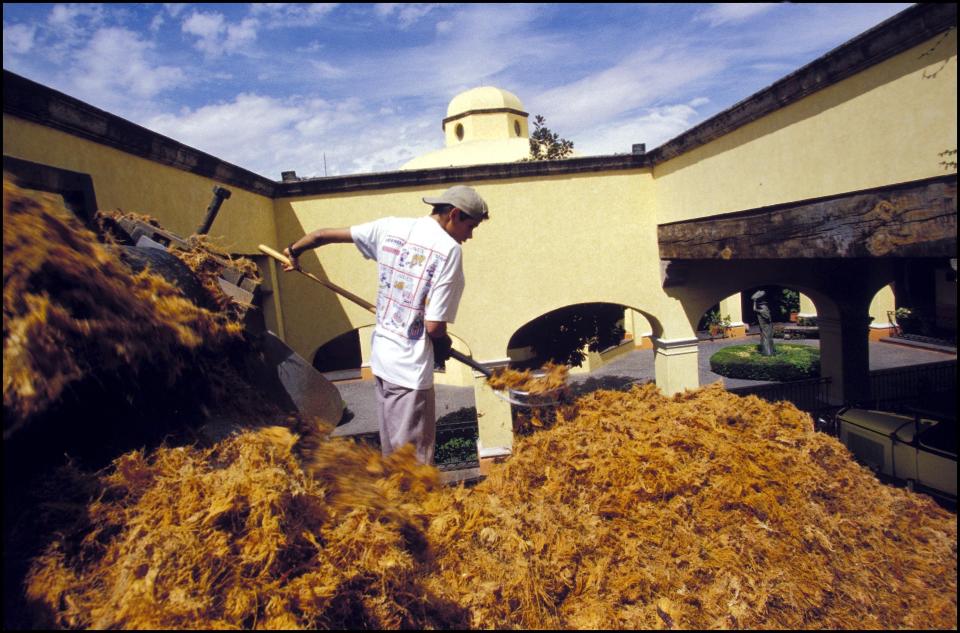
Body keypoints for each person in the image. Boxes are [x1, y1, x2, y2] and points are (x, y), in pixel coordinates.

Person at [282, 185, 489, 465]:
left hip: (382, 362)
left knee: (394, 457)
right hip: (409, 370)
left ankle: (395, 506)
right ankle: (414, 509)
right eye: (471, 226)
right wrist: (443, 344)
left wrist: (294, 251)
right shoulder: (449, 251)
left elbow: (321, 235)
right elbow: (433, 326)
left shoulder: (390, 227)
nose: (470, 236)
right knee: (414, 468)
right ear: (454, 214)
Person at [752, 290, 775, 356]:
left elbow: (755, 309)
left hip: (766, 327)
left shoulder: (763, 310)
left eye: (762, 305)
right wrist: (755, 301)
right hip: (767, 327)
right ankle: (769, 352)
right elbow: (755, 309)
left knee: (766, 339)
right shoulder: (764, 310)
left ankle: (767, 353)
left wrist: (755, 301)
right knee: (767, 338)